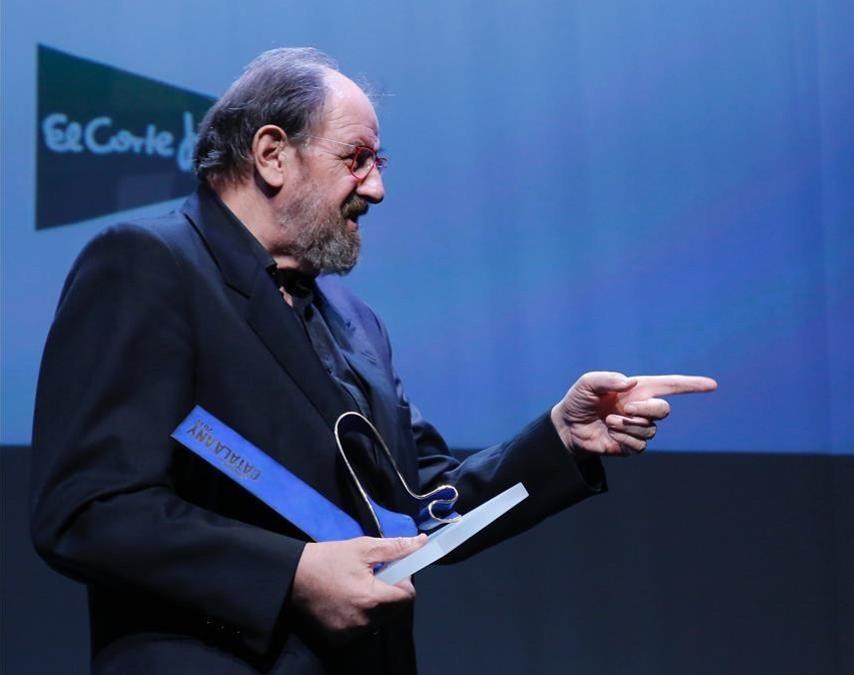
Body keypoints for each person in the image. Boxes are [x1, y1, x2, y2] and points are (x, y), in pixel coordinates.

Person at [29, 47, 716, 674]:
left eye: (378, 165)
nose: (376, 189)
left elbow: (420, 508)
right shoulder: (148, 265)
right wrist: (292, 571)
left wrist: (562, 438)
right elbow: (89, 507)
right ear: (272, 154)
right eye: (356, 158)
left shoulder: (356, 323)